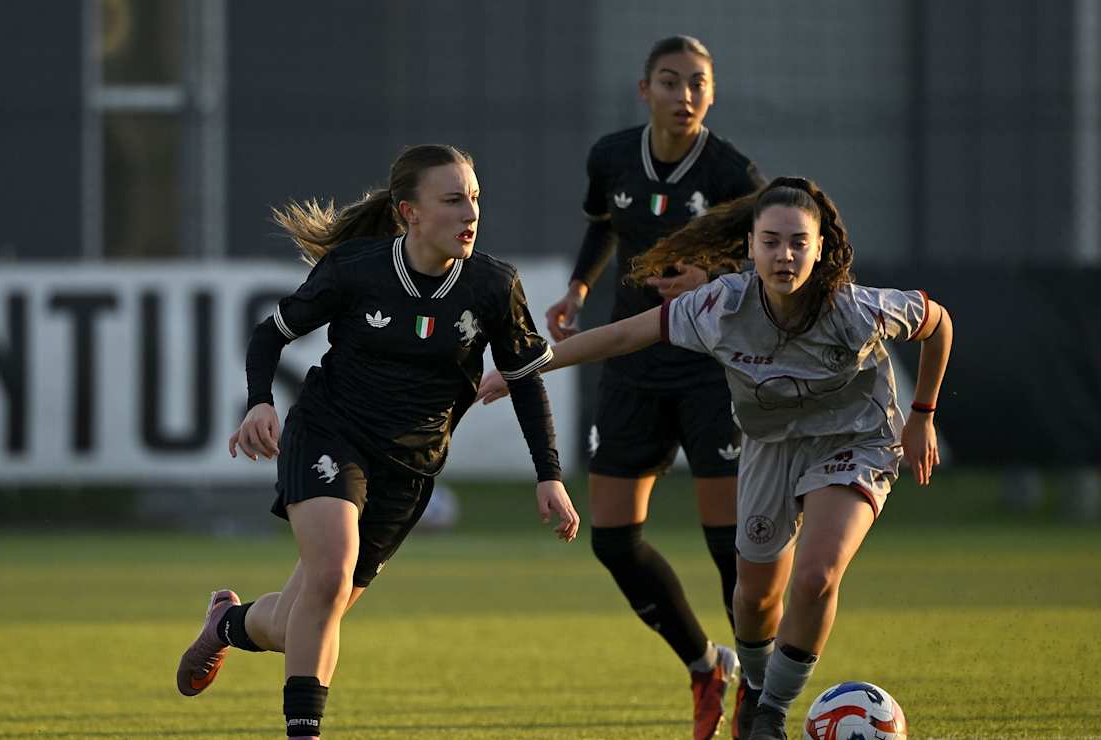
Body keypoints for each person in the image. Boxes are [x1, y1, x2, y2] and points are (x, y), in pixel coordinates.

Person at [480, 176, 953, 740]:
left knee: (817, 575)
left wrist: (922, 414)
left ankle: (770, 714)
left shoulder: (854, 309)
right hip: (769, 446)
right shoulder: (720, 304)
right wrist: (528, 368)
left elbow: (938, 323)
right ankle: (756, 685)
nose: (785, 255)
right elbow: (620, 337)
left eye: (799, 242)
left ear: (821, 246)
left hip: (854, 440)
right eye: (771, 241)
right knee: (752, 599)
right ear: (750, 246)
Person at [174, 144, 581, 739]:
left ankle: (227, 624)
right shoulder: (358, 269)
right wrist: (260, 400)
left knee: (299, 623)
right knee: (332, 575)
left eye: (474, 199)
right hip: (329, 431)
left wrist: (548, 474)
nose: (470, 213)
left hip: (410, 467)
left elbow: (524, 380)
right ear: (408, 212)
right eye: (452, 200)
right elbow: (270, 333)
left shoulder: (494, 286)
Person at [542, 34, 765, 740]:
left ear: (712, 91)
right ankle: (706, 665)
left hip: (709, 367)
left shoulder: (733, 174)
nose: (685, 95)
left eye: (698, 82)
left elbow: (771, 257)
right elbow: (604, 225)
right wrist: (579, 287)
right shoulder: (611, 156)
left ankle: (760, 697)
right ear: (645, 91)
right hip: (633, 364)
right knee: (612, 540)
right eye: (670, 82)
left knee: (729, 547)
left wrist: (711, 280)